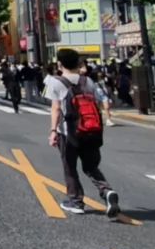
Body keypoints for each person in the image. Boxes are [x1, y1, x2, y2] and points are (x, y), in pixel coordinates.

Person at [45, 48, 121, 218]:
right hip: (90, 130)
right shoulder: (88, 81)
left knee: (70, 167)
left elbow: (56, 108)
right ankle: (106, 190)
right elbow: (97, 105)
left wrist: (52, 131)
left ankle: (76, 201)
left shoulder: (56, 82)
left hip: (68, 132)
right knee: (91, 166)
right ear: (78, 63)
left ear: (60, 64)